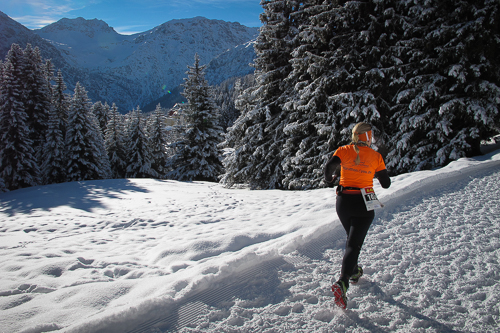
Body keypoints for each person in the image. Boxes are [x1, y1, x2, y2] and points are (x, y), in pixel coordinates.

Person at [324, 122, 391, 309]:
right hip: (364, 203)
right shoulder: (376, 156)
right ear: (368, 137)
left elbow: (329, 168)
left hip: (343, 202)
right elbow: (386, 184)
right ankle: (342, 282)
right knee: (354, 243)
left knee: (351, 239)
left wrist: (330, 179)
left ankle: (354, 271)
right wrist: (375, 172)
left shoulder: (344, 150)